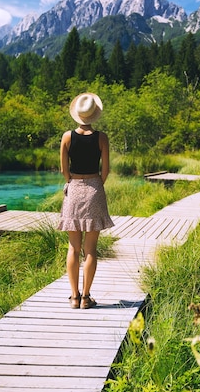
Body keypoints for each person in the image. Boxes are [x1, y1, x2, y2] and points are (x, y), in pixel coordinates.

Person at [58, 92, 114, 309]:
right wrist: (97, 184)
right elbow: (106, 169)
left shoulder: (67, 137)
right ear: (94, 115)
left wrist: (71, 182)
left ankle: (74, 297)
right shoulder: (102, 138)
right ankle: (86, 297)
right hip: (94, 190)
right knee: (90, 249)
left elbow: (64, 170)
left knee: (73, 247)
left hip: (74, 190)